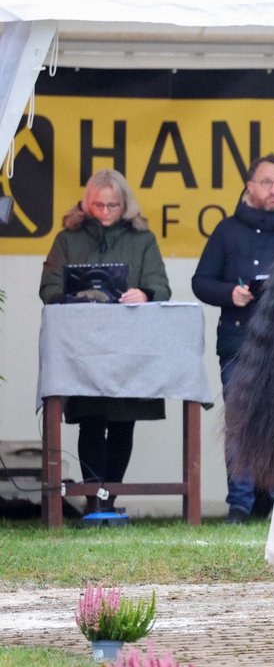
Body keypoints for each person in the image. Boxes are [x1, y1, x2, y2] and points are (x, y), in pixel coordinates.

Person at [39, 169, 171, 514]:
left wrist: (144, 293)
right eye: (98, 205)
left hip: (130, 348)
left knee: (123, 421)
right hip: (82, 349)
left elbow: (162, 286)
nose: (106, 211)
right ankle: (92, 500)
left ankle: (108, 500)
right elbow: (48, 288)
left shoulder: (143, 239)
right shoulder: (67, 238)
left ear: (124, 204)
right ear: (87, 203)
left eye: (113, 205)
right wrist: (75, 296)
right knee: (91, 420)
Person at [192, 154, 274, 524]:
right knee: (239, 424)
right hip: (239, 343)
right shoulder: (227, 231)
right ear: (249, 186)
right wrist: (231, 294)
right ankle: (239, 504)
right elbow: (201, 282)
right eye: (267, 182)